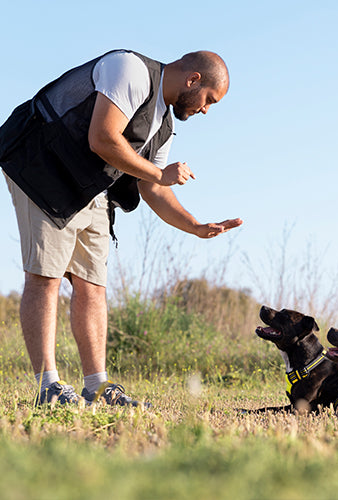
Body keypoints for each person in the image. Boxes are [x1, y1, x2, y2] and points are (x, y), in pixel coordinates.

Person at [0, 49, 242, 407]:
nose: (206, 109)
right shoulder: (129, 70)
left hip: (89, 186)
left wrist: (195, 226)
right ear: (193, 80)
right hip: (41, 166)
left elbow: (153, 188)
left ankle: (97, 387)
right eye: (209, 100)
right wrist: (160, 172)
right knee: (45, 275)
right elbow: (103, 137)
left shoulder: (164, 126)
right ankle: (47, 387)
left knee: (93, 284)